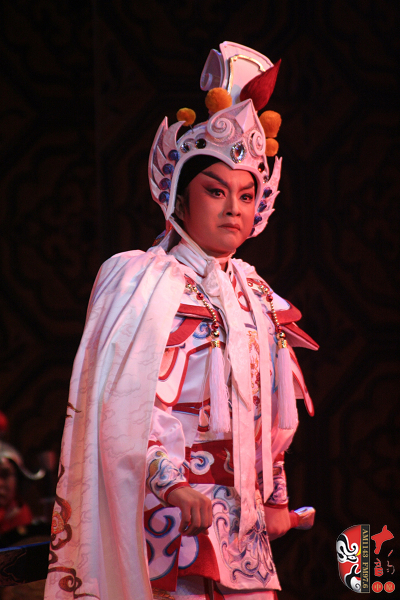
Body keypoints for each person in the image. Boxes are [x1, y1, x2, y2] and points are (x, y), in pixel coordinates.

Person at [44, 42, 318, 600]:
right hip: (166, 517)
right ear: (178, 196)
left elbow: (272, 414)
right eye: (215, 191)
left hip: (242, 529)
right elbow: (126, 409)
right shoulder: (143, 281)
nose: (233, 208)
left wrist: (276, 500)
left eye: (246, 194)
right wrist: (171, 487)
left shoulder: (258, 294)